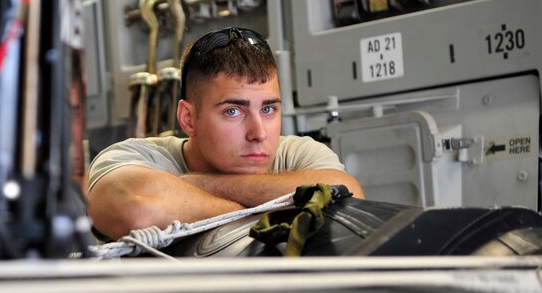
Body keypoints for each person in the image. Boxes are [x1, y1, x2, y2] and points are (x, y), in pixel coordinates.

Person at [87, 27, 364, 240]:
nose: (259, 133)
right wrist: (266, 213)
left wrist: (196, 187)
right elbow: (137, 208)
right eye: (234, 111)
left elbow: (350, 199)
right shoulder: (134, 156)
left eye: (268, 109)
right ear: (188, 119)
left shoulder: (297, 153)